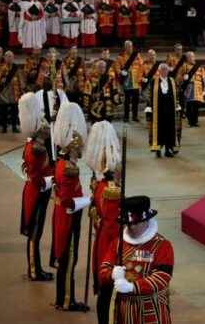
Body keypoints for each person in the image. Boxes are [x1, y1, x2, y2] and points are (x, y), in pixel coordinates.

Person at [98, 195, 174, 324]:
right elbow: (104, 267)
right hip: (123, 310)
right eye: (128, 223)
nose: (131, 227)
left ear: (146, 220)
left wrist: (133, 287)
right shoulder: (118, 243)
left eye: (135, 223)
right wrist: (112, 274)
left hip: (151, 310)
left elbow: (162, 277)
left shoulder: (162, 245)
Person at [50, 102, 89, 311]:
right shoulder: (70, 169)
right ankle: (67, 300)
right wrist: (87, 200)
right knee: (69, 259)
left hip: (62, 215)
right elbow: (67, 200)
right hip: (68, 216)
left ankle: (62, 297)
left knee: (66, 259)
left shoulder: (62, 163)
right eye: (79, 147)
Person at [82, 120, 122, 324]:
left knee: (105, 292)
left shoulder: (98, 183)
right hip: (111, 243)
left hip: (102, 240)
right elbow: (114, 220)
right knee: (109, 292)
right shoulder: (110, 187)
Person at [18, 93, 54, 282]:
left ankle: (37, 267)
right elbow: (36, 178)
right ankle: (33, 270)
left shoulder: (33, 144)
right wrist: (53, 180)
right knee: (35, 232)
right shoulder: (35, 148)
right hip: (36, 191)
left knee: (37, 231)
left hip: (38, 190)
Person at [146, 63, 182, 158]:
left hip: (170, 110)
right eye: (162, 69)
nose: (164, 71)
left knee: (170, 130)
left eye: (166, 70)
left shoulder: (172, 81)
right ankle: (158, 148)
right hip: (158, 110)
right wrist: (149, 105)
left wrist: (177, 104)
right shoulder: (154, 81)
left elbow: (176, 93)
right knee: (159, 129)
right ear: (159, 71)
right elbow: (150, 94)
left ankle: (168, 149)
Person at [0, 51, 24, 133]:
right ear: (4, 57)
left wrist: (22, 90)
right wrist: (0, 81)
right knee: (4, 111)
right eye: (7, 56)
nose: (9, 58)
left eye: (11, 56)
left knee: (14, 111)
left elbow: (21, 79)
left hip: (14, 92)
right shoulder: (0, 68)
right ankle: (4, 127)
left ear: (13, 58)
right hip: (4, 92)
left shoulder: (16, 68)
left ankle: (14, 127)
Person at [116, 40, 143, 123]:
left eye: (130, 46)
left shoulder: (137, 55)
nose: (129, 48)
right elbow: (117, 67)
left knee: (136, 100)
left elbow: (141, 66)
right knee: (127, 100)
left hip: (136, 81)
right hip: (127, 81)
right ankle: (126, 116)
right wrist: (121, 72)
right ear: (125, 47)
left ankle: (135, 116)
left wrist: (141, 77)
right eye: (127, 46)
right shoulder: (120, 57)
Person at [178, 51, 205, 127]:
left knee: (197, 105)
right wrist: (183, 78)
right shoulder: (184, 66)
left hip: (198, 88)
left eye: (193, 56)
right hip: (189, 88)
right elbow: (178, 78)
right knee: (190, 105)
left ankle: (195, 121)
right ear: (187, 58)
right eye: (190, 57)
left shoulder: (199, 66)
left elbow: (204, 78)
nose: (192, 58)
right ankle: (191, 121)